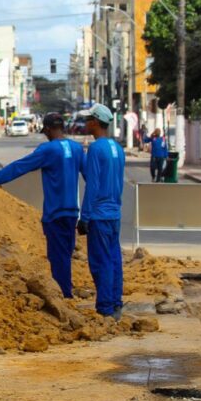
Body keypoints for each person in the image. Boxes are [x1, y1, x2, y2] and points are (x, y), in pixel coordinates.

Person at [0, 112, 84, 298]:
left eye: (45, 132)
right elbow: (91, 176)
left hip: (54, 213)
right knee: (65, 254)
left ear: (48, 129)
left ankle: (64, 296)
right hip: (72, 212)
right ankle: (66, 290)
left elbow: (21, 166)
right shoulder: (77, 148)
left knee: (57, 257)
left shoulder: (48, 150)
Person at [77, 104, 125, 321]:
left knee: (100, 262)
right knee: (114, 259)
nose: (85, 123)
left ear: (95, 122)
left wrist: (84, 217)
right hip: (114, 213)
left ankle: (105, 308)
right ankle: (115, 304)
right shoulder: (117, 148)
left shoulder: (96, 149)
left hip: (99, 214)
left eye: (88, 120)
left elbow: (93, 185)